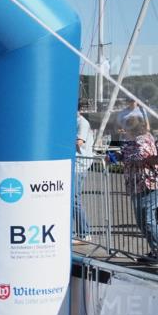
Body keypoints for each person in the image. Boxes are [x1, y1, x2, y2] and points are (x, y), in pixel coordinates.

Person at [122, 114, 158, 264]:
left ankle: (156, 252)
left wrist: (120, 155)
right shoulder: (141, 139)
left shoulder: (141, 141)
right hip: (141, 185)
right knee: (145, 221)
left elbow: (138, 157)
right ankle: (155, 251)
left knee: (146, 221)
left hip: (145, 184)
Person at [73, 102, 94, 240]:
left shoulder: (83, 123)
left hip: (79, 165)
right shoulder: (71, 121)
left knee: (74, 199)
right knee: (71, 199)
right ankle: (79, 232)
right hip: (73, 164)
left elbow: (79, 142)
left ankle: (84, 232)